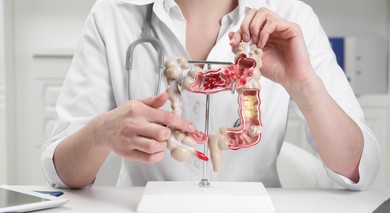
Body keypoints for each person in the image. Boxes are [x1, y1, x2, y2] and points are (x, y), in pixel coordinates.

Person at [41, 0, 380, 190]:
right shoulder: (112, 14)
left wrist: (302, 82)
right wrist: (103, 133)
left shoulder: (291, 16)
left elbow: (360, 168)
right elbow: (62, 171)